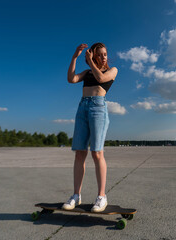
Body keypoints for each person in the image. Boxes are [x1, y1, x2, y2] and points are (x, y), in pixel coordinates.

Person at [63, 43, 118, 212]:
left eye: (105, 54)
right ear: (94, 56)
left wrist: (90, 61)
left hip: (98, 108)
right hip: (82, 108)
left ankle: (102, 196)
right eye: (99, 55)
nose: (103, 57)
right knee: (80, 152)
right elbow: (71, 79)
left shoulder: (112, 70)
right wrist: (75, 57)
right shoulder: (87, 73)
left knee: (97, 152)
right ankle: (76, 195)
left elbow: (101, 79)